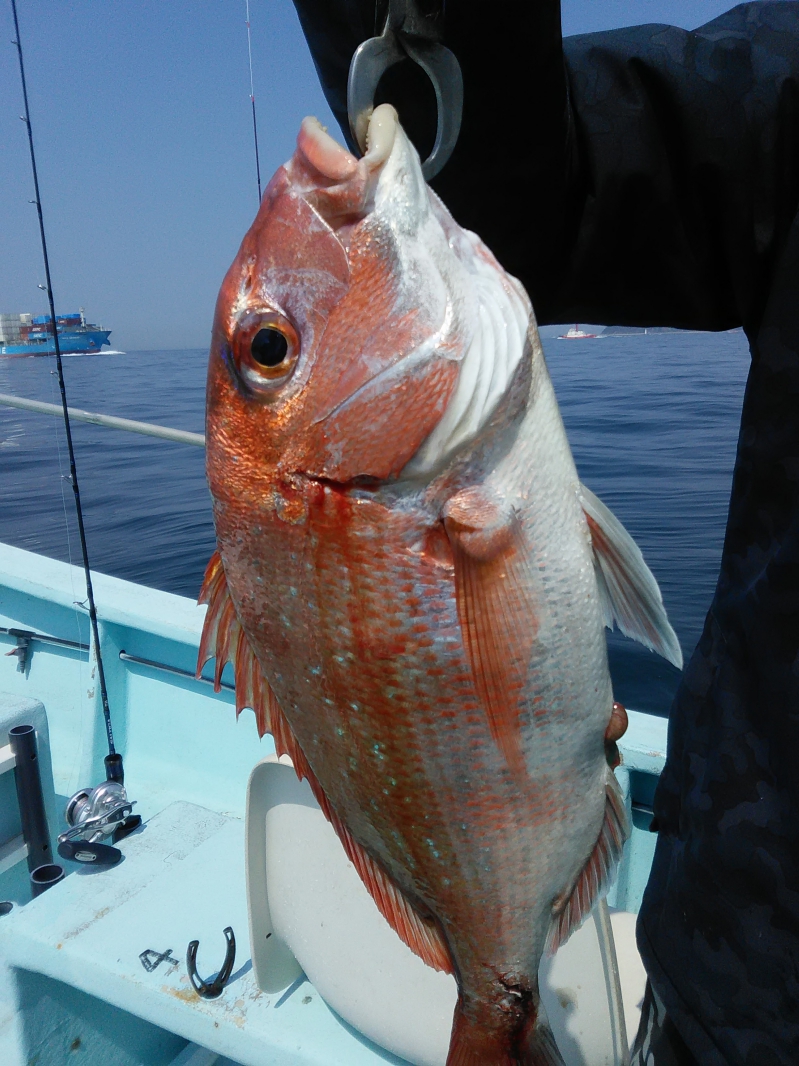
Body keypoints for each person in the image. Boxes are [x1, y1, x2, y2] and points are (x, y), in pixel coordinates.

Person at [289, 3, 799, 1062]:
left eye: (268, 350)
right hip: (749, 977)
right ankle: (500, 991)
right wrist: (414, 22)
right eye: (275, 350)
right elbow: (532, 180)